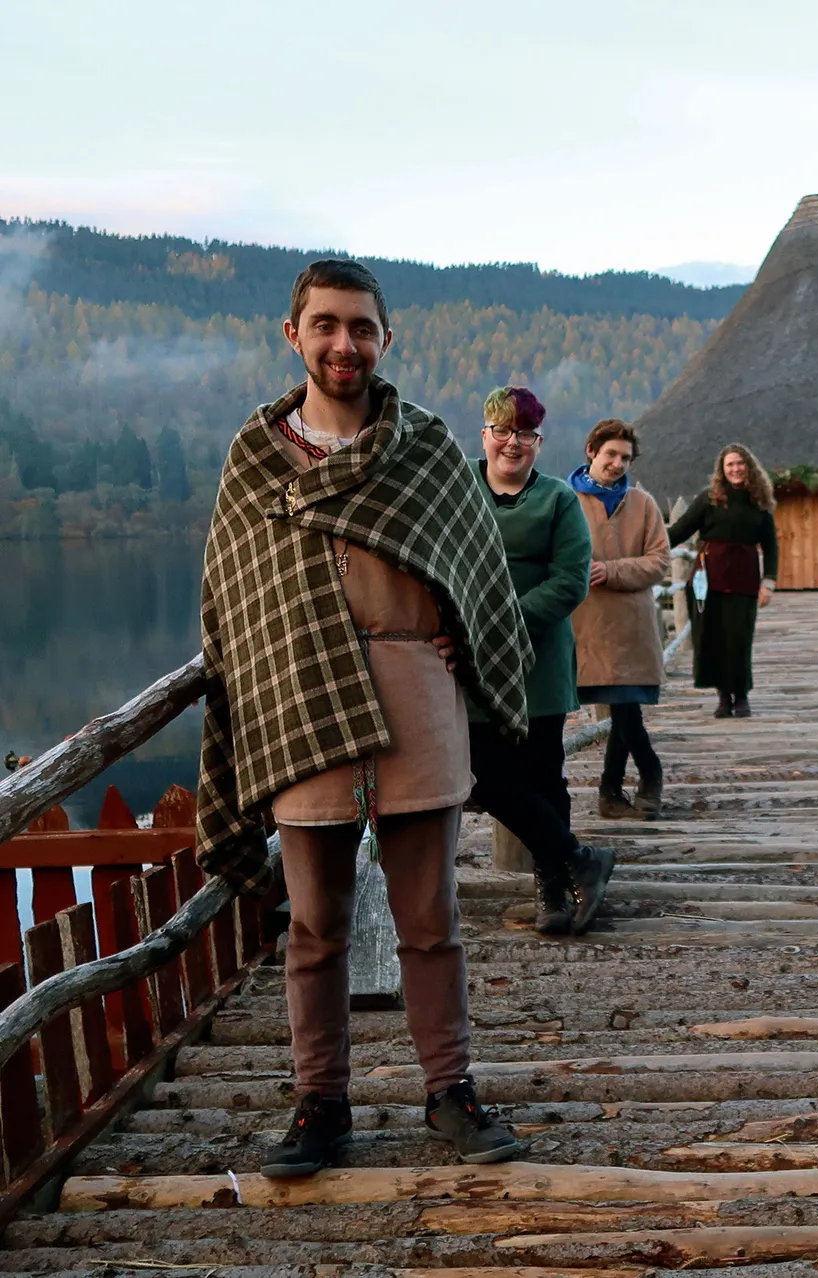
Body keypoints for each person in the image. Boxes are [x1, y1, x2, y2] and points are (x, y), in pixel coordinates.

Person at [196, 258, 524, 1177]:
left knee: (430, 915)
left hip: (417, 695)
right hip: (301, 702)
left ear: (387, 339)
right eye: (328, 325)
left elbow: (478, 577)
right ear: (293, 334)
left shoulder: (423, 447)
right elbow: (233, 600)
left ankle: (450, 1091)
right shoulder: (254, 458)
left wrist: (464, 638)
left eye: (363, 328)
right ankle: (320, 1106)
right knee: (316, 925)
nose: (346, 344)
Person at [460, 386, 614, 936]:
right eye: (501, 430)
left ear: (538, 442)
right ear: (484, 435)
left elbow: (571, 580)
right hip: (470, 663)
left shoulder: (557, 500)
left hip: (537, 661)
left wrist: (498, 625)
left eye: (523, 434)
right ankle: (580, 858)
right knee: (479, 774)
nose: (511, 442)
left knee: (544, 776)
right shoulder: (458, 493)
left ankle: (553, 886)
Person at [569, 419, 671, 818]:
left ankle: (622, 787)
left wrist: (610, 571)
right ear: (591, 450)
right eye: (610, 454)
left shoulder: (643, 504)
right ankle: (635, 780)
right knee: (621, 706)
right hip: (585, 623)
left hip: (632, 624)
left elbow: (659, 561)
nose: (617, 463)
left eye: (625, 458)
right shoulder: (565, 498)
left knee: (625, 705)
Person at [668, 444, 779, 718]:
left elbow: (772, 547)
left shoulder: (759, 503)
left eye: (740, 463)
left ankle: (741, 695)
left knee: (739, 638)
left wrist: (769, 582)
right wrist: (643, 542)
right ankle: (722, 696)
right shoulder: (708, 499)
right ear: (722, 470)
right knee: (713, 638)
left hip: (744, 581)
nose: (736, 469)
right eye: (730, 464)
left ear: (749, 466)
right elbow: (678, 531)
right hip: (708, 581)